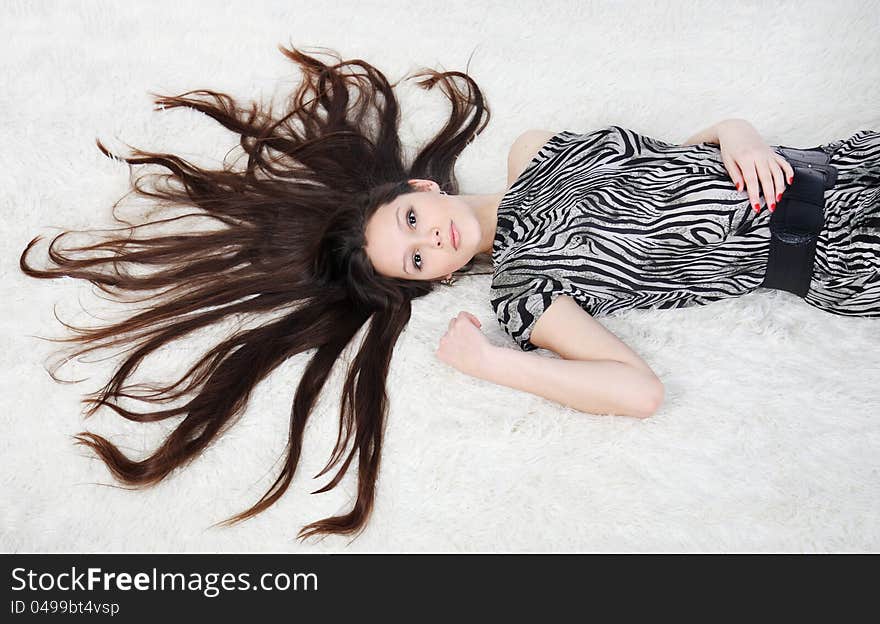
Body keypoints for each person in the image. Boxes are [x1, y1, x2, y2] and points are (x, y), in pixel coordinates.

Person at [19, 45, 880, 542]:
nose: (435, 243)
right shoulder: (528, 294)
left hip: (847, 162)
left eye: (412, 226)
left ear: (418, 191)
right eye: (419, 263)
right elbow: (638, 391)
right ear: (430, 284)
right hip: (840, 252)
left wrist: (738, 132)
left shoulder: (538, 147)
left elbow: (679, 155)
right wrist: (491, 366)